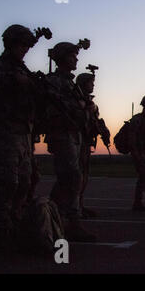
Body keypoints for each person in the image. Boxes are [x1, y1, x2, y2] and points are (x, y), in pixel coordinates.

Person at [0, 24, 43, 250]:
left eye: (27, 46)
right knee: (7, 182)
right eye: (22, 45)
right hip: (2, 133)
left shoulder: (24, 71)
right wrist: (13, 79)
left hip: (23, 134)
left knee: (25, 182)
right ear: (10, 44)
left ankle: (13, 221)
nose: (24, 50)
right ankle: (3, 230)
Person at [44, 42, 96, 242]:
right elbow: (60, 106)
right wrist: (83, 106)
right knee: (72, 177)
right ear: (62, 57)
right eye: (72, 56)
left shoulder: (69, 83)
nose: (76, 59)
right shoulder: (55, 81)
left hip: (74, 134)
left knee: (70, 179)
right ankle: (68, 221)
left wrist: (84, 107)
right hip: (62, 134)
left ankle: (57, 217)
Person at [75, 71, 110, 218]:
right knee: (75, 177)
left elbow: (95, 121)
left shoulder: (90, 102)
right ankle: (73, 208)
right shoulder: (76, 99)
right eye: (90, 82)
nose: (93, 85)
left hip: (86, 141)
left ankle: (79, 205)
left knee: (83, 176)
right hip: (76, 141)